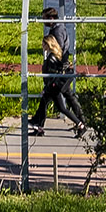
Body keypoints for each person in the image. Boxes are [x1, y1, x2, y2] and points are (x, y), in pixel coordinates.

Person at [29, 8, 85, 136]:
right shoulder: (57, 29)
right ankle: (38, 125)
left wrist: (49, 84)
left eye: (44, 18)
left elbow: (58, 54)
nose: (43, 21)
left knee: (61, 105)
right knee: (51, 102)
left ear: (51, 18)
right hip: (57, 79)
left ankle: (80, 123)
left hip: (57, 80)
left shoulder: (57, 34)